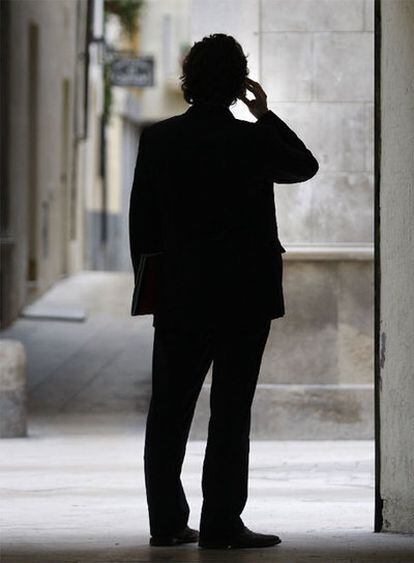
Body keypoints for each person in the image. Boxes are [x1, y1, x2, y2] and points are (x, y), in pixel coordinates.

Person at [129, 33, 319, 550]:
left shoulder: (160, 139)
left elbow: (142, 226)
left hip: (181, 297)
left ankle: (167, 524)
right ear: (240, 82)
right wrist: (264, 114)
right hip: (244, 296)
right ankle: (221, 525)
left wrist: (152, 289)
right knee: (232, 412)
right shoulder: (253, 141)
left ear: (189, 79)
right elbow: (304, 166)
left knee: (168, 411)